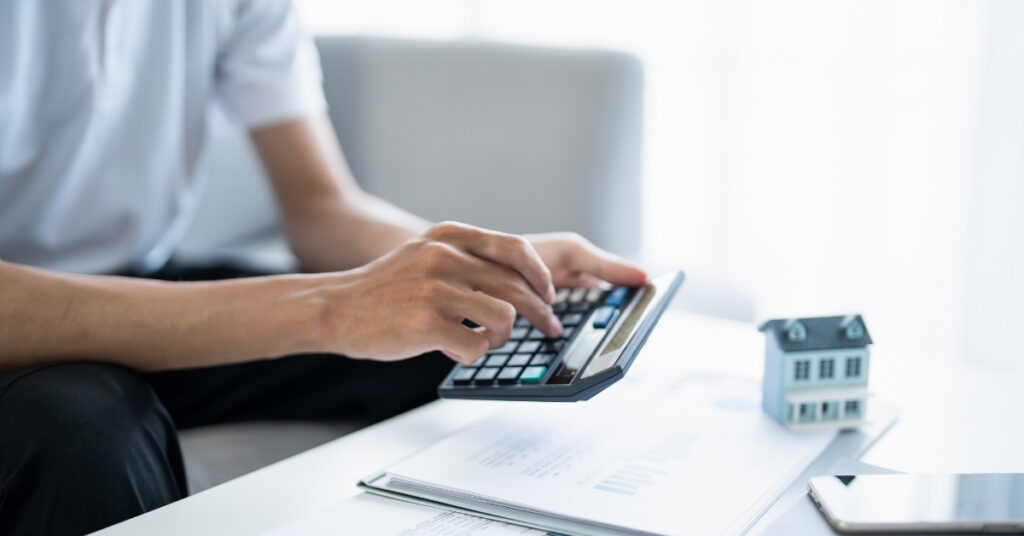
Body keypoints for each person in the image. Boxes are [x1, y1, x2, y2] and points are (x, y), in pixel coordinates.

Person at [0, 1, 647, 534]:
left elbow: (320, 208)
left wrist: (477, 268)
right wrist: (333, 308)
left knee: (464, 335)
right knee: (79, 432)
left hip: (137, 278)